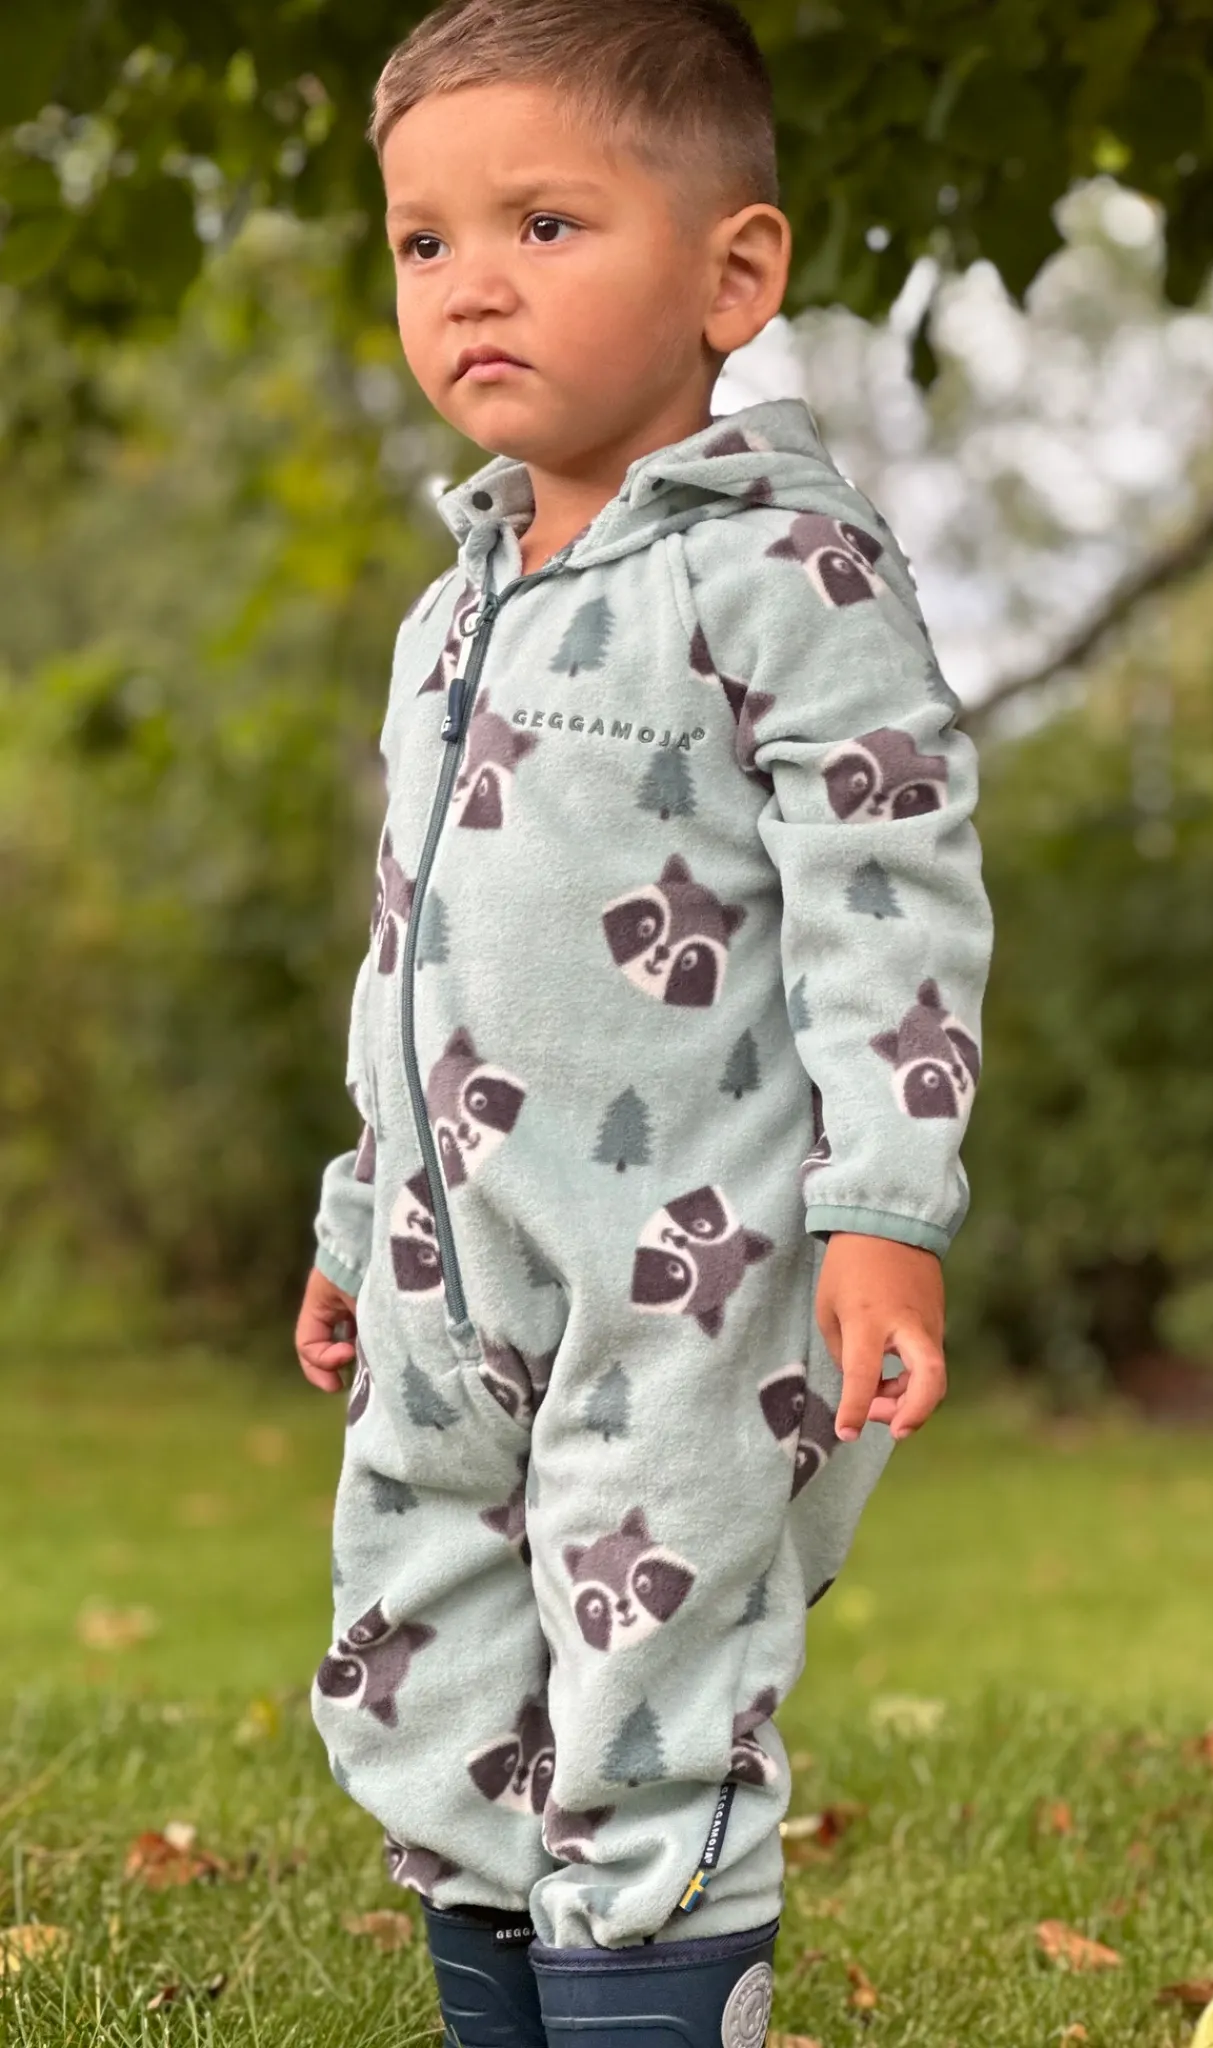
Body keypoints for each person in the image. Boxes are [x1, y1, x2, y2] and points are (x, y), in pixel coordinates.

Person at [289, 4, 990, 2040]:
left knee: (648, 1687)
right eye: (424, 241)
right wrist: (359, 1213)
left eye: (544, 223)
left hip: (691, 1276)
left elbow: (891, 899)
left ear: (731, 275)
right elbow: (411, 952)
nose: (470, 283)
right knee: (431, 1669)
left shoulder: (786, 572)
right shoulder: (453, 611)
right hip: (454, 1280)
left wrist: (886, 1211)